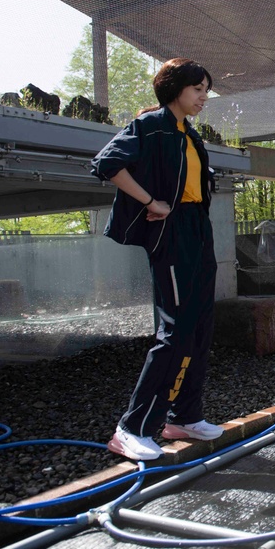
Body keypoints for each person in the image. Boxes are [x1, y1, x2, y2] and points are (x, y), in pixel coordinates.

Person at [91, 58, 223, 461]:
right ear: (175, 88)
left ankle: (184, 416)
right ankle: (132, 428)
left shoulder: (188, 133)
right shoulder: (152, 125)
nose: (204, 97)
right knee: (176, 329)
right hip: (173, 232)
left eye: (206, 89)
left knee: (199, 325)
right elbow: (107, 164)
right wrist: (152, 202)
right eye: (198, 88)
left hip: (198, 231)